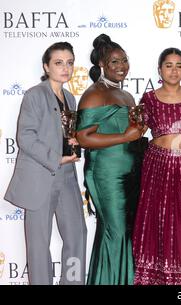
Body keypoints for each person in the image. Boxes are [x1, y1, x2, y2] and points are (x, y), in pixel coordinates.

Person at [4, 42, 87, 285]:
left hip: (67, 177)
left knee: (77, 235)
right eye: (58, 62)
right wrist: (56, 157)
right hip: (40, 177)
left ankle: (72, 283)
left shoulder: (71, 98)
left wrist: (73, 142)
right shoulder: (34, 95)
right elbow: (25, 137)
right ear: (46, 66)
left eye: (69, 62)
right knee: (39, 244)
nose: (65, 67)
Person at [132, 48, 181, 285]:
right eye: (169, 65)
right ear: (159, 70)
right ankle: (157, 276)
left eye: (179, 65)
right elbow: (133, 133)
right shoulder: (149, 99)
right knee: (160, 221)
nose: (174, 70)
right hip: (158, 166)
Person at [76, 34, 145, 285]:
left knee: (127, 234)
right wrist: (125, 135)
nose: (121, 66)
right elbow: (83, 138)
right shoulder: (93, 94)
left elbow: (130, 132)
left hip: (129, 174)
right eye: (114, 61)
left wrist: (137, 134)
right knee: (114, 233)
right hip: (106, 174)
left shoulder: (125, 95)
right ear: (102, 65)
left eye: (124, 60)